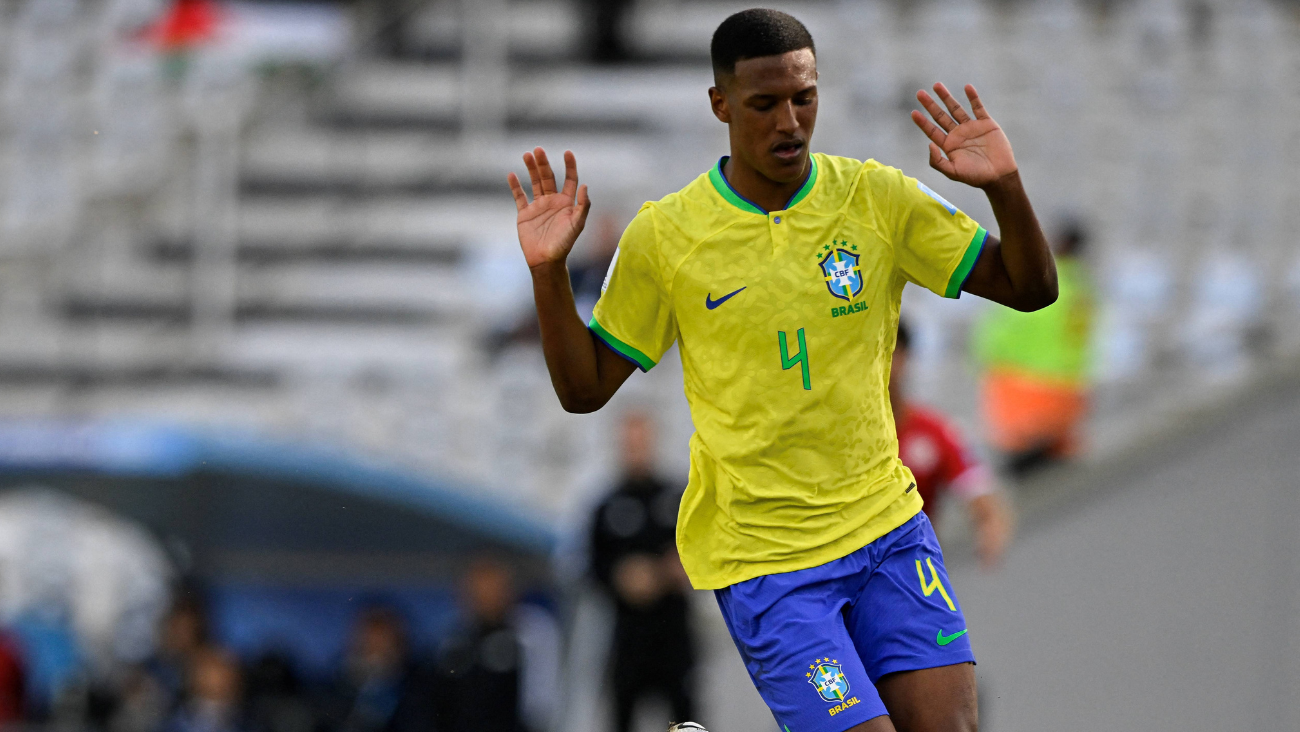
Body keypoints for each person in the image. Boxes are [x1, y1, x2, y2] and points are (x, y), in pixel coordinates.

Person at [505, 8, 1057, 731]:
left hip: (889, 534)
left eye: (804, 98)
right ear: (720, 105)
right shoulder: (667, 237)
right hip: (770, 566)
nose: (789, 122)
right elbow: (583, 391)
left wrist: (1005, 187)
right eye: (764, 104)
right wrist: (549, 276)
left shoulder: (875, 199)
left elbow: (1030, 287)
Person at [588, 413, 695, 732]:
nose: (635, 449)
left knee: (685, 719)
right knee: (623, 715)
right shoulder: (607, 504)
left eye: (641, 441)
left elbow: (699, 556)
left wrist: (668, 572)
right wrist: (620, 577)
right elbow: (592, 566)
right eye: (629, 442)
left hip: (674, 634)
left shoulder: (678, 497)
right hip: (628, 636)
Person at [972, 220, 1094, 476]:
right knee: (1053, 471)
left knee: (1019, 466)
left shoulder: (1035, 277)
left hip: (1023, 385)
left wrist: (981, 356)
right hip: (1067, 390)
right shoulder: (1083, 289)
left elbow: (1000, 329)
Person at [890, 321, 1012, 569]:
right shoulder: (833, 435)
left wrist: (989, 526)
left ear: (905, 357)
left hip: (912, 572)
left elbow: (984, 500)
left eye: (888, 353)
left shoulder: (936, 431)